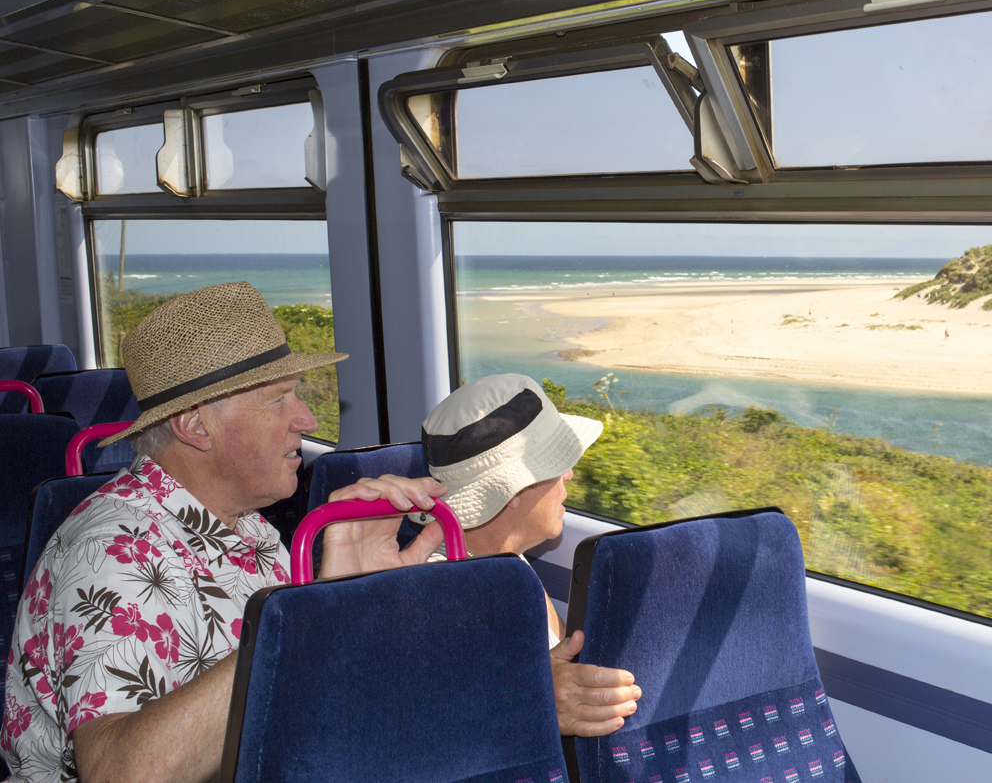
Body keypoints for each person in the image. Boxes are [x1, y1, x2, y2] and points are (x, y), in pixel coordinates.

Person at [2, 282, 447, 783]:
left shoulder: (249, 527)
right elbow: (119, 774)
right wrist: (306, 612)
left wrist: (344, 602)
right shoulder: (115, 552)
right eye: (278, 399)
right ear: (195, 426)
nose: (307, 417)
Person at [419, 373, 643, 738]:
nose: (569, 474)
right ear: (512, 493)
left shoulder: (506, 561)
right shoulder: (445, 596)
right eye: (555, 465)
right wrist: (528, 696)